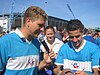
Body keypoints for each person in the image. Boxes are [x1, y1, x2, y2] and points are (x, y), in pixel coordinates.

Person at [0, 6, 55, 75]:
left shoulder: (36, 43)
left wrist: (45, 62)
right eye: (40, 25)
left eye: (43, 26)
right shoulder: (5, 42)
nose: (42, 29)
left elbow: (34, 69)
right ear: (28, 21)